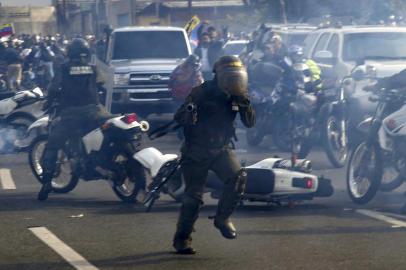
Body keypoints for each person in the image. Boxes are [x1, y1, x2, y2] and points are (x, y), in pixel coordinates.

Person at [172, 55, 255, 254]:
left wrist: (244, 102)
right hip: (196, 150)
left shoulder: (238, 96)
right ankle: (182, 239)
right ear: (218, 76)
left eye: (236, 77)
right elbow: (179, 116)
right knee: (193, 198)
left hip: (221, 148)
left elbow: (250, 123)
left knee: (237, 177)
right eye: (229, 77)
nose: (233, 81)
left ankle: (222, 218)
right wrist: (189, 114)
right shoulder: (201, 92)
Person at [37, 38, 112, 201]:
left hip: (72, 113)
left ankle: (47, 183)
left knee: (52, 144)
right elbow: (103, 82)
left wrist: (48, 102)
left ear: (69, 53)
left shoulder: (64, 68)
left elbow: (55, 87)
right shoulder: (92, 68)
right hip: (96, 111)